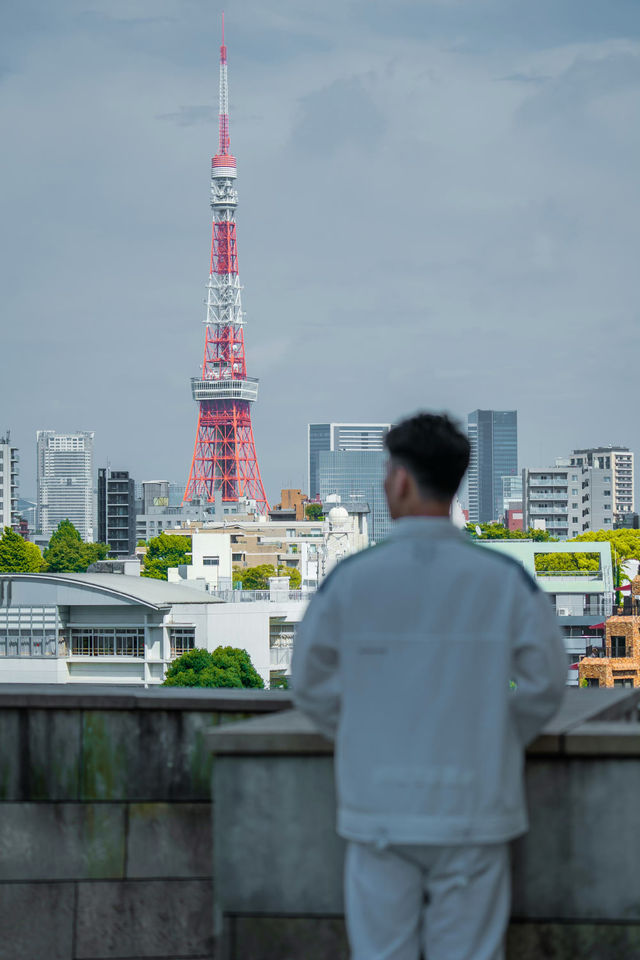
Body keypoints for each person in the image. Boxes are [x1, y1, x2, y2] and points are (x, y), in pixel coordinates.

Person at [292, 411, 567, 960]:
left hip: (378, 809)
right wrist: (493, 735)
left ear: (399, 479)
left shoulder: (350, 580)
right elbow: (546, 683)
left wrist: (363, 731)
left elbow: (309, 684)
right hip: (475, 805)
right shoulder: (504, 579)